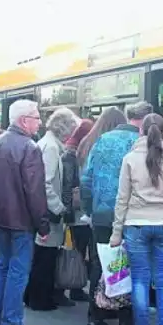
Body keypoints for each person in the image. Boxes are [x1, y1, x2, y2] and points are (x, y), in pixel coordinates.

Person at [110, 113, 163, 325]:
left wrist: (116, 232)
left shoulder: (130, 159)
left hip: (136, 225)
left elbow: (121, 199)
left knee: (140, 282)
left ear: (140, 131)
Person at [81, 101, 153, 325]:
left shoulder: (103, 140)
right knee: (130, 264)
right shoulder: (142, 144)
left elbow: (86, 179)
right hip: (133, 214)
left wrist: (89, 209)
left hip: (102, 214)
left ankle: (95, 316)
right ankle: (125, 321)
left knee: (101, 263)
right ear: (144, 120)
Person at [0, 99, 49, 325]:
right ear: (24, 120)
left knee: (2, 266)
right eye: (36, 117)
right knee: (18, 271)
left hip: (0, 216)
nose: (39, 122)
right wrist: (42, 224)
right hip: (21, 219)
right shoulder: (29, 147)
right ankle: (11, 323)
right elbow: (35, 191)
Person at [24, 107, 79, 311]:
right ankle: (40, 298)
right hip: (49, 212)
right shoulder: (52, 148)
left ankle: (34, 296)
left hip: (46, 210)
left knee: (42, 256)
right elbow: (45, 182)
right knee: (45, 258)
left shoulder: (49, 145)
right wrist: (59, 207)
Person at [61, 118, 94, 302]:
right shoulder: (71, 155)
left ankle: (76, 285)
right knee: (75, 250)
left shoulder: (77, 153)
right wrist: (66, 212)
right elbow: (67, 186)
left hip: (79, 210)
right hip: (75, 212)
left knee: (78, 249)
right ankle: (71, 285)